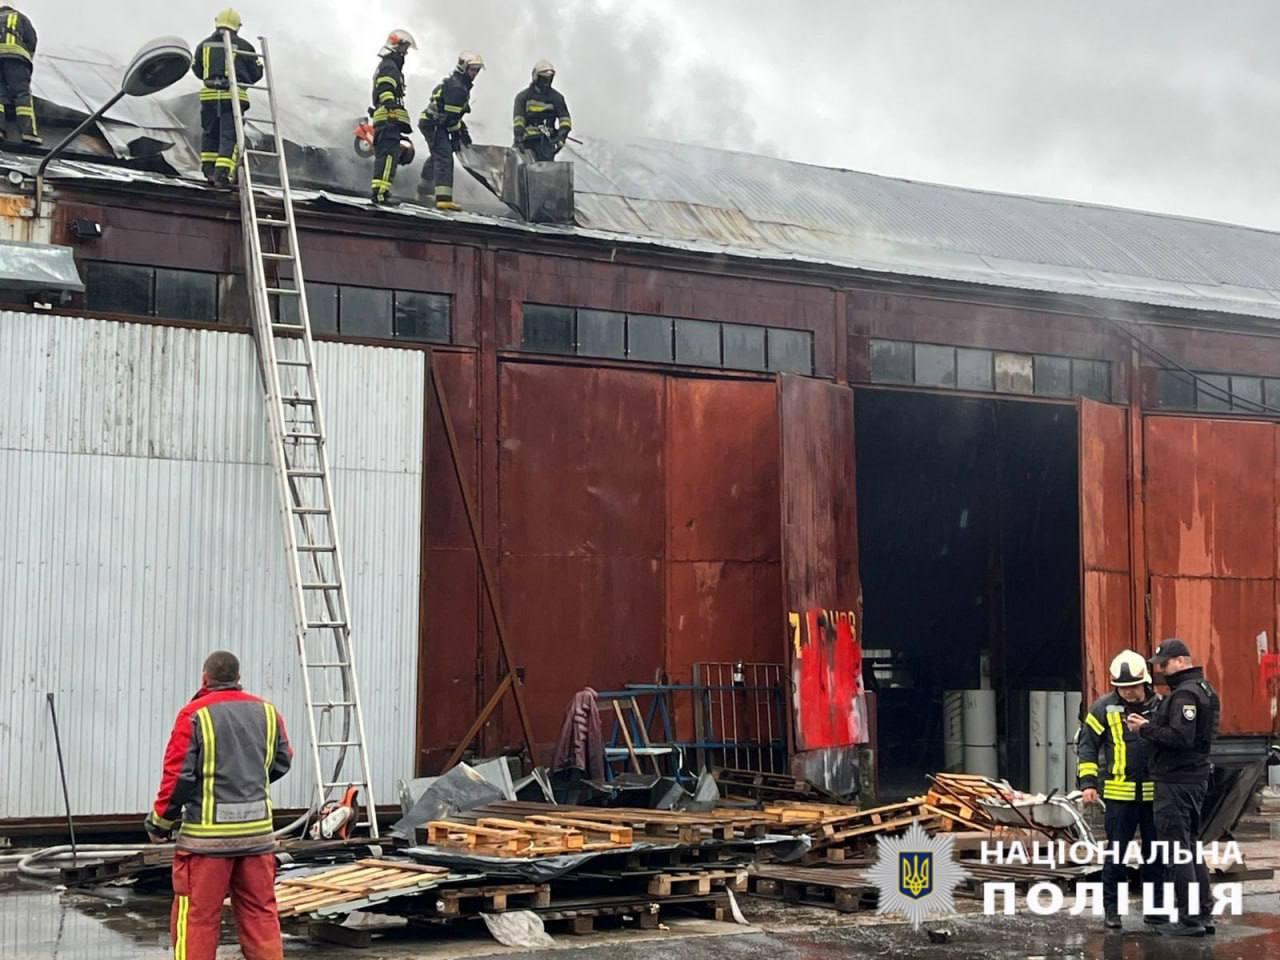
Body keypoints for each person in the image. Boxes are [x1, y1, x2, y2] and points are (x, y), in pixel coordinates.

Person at [145, 650, 292, 960]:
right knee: (261, 915)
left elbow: (177, 778)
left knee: (197, 918)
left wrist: (161, 822)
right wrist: (247, 782)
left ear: (204, 678)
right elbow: (282, 761)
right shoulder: (267, 712)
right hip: (258, 840)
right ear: (238, 679)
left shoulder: (194, 715)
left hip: (206, 844)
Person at [1127, 638, 1220, 938]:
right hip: (1192, 779)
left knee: (1177, 850)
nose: (1161, 671)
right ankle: (1203, 912)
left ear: (1182, 661)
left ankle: (1190, 918)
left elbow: (1181, 737)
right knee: (1191, 848)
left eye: (1164, 664)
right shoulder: (1203, 690)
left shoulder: (1185, 695)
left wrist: (1145, 728)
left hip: (1176, 781)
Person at [1076, 650, 1160, 929]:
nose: (1128, 693)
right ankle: (1112, 911)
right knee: (1115, 856)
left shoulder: (1159, 707)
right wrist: (1088, 784)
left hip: (1154, 794)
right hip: (1118, 795)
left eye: (1133, 687)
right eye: (1122, 688)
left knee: (1156, 856)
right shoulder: (1103, 708)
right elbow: (1087, 746)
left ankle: (1156, 910)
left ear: (1145, 682)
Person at [192, 9, 263, 187]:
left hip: (209, 96)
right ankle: (222, 175)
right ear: (237, 26)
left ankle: (208, 171)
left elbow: (197, 70)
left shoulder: (203, 45)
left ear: (217, 22)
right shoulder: (245, 46)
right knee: (228, 137)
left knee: (210, 133)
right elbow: (257, 73)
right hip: (233, 97)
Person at [418, 51, 483, 210]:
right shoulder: (457, 87)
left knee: (437, 155)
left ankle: (423, 191)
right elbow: (451, 118)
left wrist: (462, 133)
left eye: (477, 70)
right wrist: (456, 136)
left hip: (434, 122)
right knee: (444, 156)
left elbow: (454, 117)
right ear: (463, 68)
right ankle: (443, 199)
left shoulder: (460, 84)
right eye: (472, 69)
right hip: (435, 123)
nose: (474, 73)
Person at [369, 28, 416, 205]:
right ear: (396, 48)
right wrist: (391, 106)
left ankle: (382, 191)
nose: (405, 54)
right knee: (388, 156)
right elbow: (385, 88)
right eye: (404, 50)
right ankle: (380, 193)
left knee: (391, 155)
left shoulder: (390, 66)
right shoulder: (389, 66)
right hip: (388, 118)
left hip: (389, 118)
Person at [512, 60, 572, 161]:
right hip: (526, 141)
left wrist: (561, 136)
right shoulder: (523, 97)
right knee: (518, 167)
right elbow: (518, 120)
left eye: (548, 79)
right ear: (536, 77)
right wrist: (518, 138)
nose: (546, 82)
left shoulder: (556, 98)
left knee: (544, 171)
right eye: (543, 79)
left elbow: (565, 120)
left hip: (546, 142)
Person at [0, 4, 39, 144]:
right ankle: (28, 133)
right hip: (17, 59)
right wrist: (28, 57)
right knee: (22, 94)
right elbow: (31, 39)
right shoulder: (21, 18)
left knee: (0, 94)